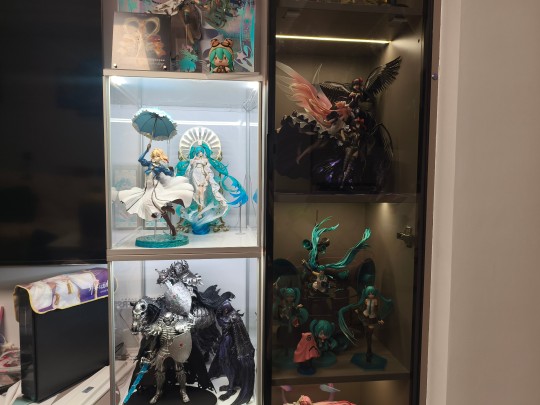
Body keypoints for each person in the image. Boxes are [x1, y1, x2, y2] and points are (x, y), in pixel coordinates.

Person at [119, 144, 193, 236]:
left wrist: (169, 169)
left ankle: (171, 225)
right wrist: (147, 150)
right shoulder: (149, 163)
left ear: (160, 157)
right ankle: (165, 209)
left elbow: (170, 174)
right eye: (153, 156)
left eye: (157, 156)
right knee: (145, 203)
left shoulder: (161, 167)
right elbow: (140, 159)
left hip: (155, 186)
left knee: (154, 202)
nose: (154, 158)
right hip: (147, 187)